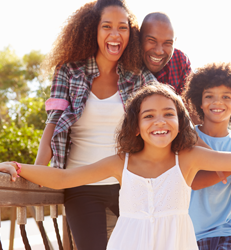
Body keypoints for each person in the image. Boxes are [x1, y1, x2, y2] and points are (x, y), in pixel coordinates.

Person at [1, 83, 231, 250]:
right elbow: (65, 178)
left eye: (168, 114)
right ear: (135, 127)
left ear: (180, 123)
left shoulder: (190, 157)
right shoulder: (122, 163)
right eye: (148, 116)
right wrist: (16, 166)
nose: (159, 121)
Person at [34, 0, 155, 249]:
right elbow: (53, 123)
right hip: (80, 185)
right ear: (93, 30)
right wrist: (38, 169)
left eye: (122, 27)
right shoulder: (69, 71)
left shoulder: (138, 77)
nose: (115, 34)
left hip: (129, 184)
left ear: (130, 34)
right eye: (107, 26)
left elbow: (171, 109)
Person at [184, 62, 231, 249]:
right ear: (199, 101)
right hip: (189, 232)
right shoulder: (185, 139)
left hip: (230, 231)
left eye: (226, 97)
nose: (217, 102)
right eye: (209, 96)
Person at [140, 12, 191, 95]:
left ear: (174, 42)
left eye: (167, 43)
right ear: (139, 38)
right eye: (152, 41)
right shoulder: (124, 65)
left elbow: (188, 104)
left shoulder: (180, 61)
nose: (159, 51)